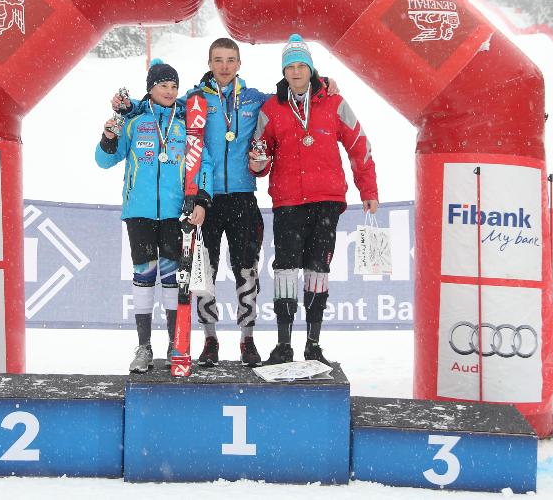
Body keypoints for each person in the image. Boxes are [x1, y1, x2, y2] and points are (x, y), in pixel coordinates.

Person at [111, 40, 341, 368]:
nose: (224, 66)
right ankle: (210, 339)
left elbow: (293, 95)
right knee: (204, 272)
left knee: (247, 271)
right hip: (205, 201)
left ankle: (248, 339)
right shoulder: (195, 99)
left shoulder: (254, 99)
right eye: (218, 60)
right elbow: (159, 103)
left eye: (230, 60)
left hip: (243, 198)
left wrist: (322, 83)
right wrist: (128, 106)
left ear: (239, 63)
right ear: (209, 62)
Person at [249, 34, 378, 366]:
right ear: (284, 71)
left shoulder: (334, 102)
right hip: (288, 201)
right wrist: (258, 162)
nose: (296, 72)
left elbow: (359, 145)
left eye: (301, 66)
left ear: (310, 69)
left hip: (326, 200)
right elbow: (260, 158)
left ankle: (313, 344)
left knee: (318, 269)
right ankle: (283, 345)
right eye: (290, 66)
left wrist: (368, 190)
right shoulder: (271, 108)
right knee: (285, 270)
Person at [96, 58, 212, 373]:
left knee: (174, 279)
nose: (169, 91)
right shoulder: (134, 122)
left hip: (176, 214)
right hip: (140, 212)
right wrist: (108, 137)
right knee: (144, 276)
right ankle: (144, 347)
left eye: (174, 86)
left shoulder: (185, 122)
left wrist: (202, 200)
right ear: (151, 88)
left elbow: (204, 163)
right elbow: (105, 160)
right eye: (163, 85)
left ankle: (176, 344)